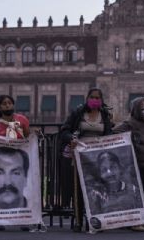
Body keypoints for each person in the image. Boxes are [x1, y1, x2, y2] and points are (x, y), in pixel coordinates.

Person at [59, 88, 113, 232]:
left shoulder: (105, 114)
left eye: (97, 97)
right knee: (79, 188)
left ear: (101, 100)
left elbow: (109, 134)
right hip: (79, 156)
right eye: (92, 97)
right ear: (87, 98)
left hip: (98, 157)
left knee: (96, 189)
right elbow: (64, 130)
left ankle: (94, 219)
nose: (94, 100)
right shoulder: (78, 113)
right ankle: (78, 220)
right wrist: (71, 139)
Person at [113, 96, 144, 231]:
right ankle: (137, 222)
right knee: (139, 196)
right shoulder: (130, 123)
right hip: (138, 164)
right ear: (136, 110)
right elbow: (114, 133)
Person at [87, 151, 141, 215]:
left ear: (120, 168)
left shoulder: (134, 191)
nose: (109, 173)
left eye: (113, 167)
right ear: (99, 174)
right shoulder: (96, 195)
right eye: (104, 169)